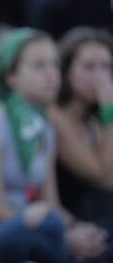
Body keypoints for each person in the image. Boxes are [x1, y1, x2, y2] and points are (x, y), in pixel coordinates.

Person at [0, 27, 110, 263]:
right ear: (12, 77)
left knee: (93, 251)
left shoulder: (42, 126)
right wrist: (63, 233)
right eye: (39, 66)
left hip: (32, 228)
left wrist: (81, 229)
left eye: (55, 65)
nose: (52, 75)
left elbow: (51, 202)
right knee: (50, 225)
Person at [50, 27, 113, 234]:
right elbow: (105, 178)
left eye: (106, 67)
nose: (100, 76)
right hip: (74, 221)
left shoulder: (92, 121)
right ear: (66, 70)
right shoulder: (55, 116)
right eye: (89, 67)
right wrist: (110, 111)